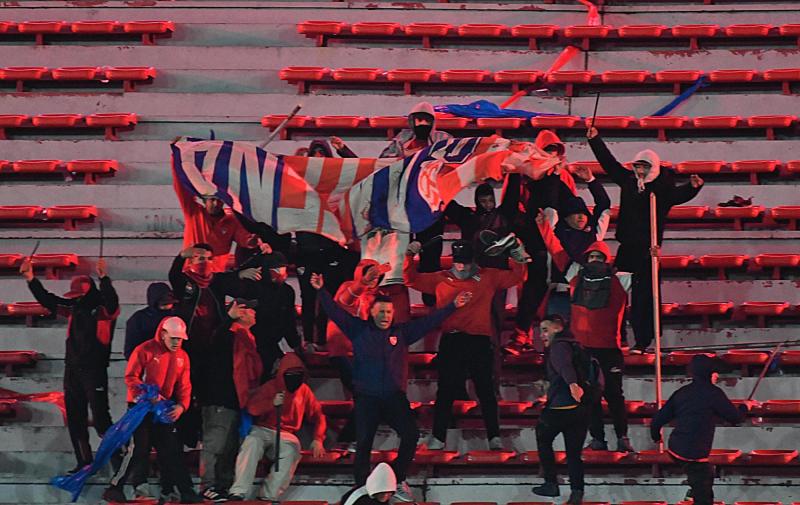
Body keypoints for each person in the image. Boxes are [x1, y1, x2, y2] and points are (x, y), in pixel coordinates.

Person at [313, 272, 470, 502]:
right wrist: (320, 290)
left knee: (411, 434)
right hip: (367, 397)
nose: (385, 315)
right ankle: (363, 487)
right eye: (381, 311)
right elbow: (335, 312)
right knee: (364, 442)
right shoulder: (358, 329)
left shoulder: (402, 333)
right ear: (372, 312)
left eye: (389, 311)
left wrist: (453, 306)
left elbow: (428, 322)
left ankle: (395, 479)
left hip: (394, 397)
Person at [404, 238, 528, 451]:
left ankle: (494, 436)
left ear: (473, 261)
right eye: (457, 261)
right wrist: (409, 256)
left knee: (486, 390)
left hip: (479, 341)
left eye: (465, 262)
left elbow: (518, 276)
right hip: (452, 340)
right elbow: (410, 279)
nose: (460, 266)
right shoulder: (441, 278)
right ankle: (438, 437)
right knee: (445, 390)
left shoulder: (487, 276)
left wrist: (517, 252)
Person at [587, 126, 704, 353]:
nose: (640, 170)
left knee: (646, 297)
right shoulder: (629, 182)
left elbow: (679, 195)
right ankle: (617, 337)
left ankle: (644, 340)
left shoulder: (662, 188)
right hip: (627, 248)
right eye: (637, 166)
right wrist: (595, 140)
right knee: (616, 294)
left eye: (644, 167)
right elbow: (609, 164)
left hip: (648, 250)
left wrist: (693, 187)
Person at [538, 214, 633, 452]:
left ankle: (622, 437)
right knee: (590, 399)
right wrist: (543, 226)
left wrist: (654, 256)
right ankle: (598, 439)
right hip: (583, 351)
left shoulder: (621, 281)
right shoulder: (576, 277)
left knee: (614, 396)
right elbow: (558, 252)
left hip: (609, 349)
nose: (594, 260)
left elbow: (645, 270)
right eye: (591, 256)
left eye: (598, 257)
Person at [21, 258, 119, 474]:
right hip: (72, 369)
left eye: (79, 295)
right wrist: (30, 279)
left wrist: (104, 278)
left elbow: (113, 303)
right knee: (75, 419)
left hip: (94, 371)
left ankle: (118, 464)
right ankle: (84, 462)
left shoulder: (103, 308)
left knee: (102, 420)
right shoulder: (74, 307)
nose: (76, 299)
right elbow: (49, 301)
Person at [104, 316, 202, 504]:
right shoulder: (145, 350)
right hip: (141, 407)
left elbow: (185, 386)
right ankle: (115, 486)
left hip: (162, 409)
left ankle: (185, 490)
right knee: (138, 449)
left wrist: (182, 406)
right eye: (174, 338)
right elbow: (131, 377)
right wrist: (148, 394)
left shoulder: (182, 357)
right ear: (163, 334)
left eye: (179, 339)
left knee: (172, 450)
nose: (177, 342)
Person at [169, 244, 257, 447]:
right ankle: (188, 437)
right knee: (187, 392)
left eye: (208, 258)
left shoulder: (215, 281)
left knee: (207, 393)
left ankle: (202, 434)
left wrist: (250, 265)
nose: (205, 263)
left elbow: (235, 281)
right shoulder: (186, 282)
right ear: (191, 260)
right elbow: (174, 274)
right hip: (189, 347)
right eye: (199, 258)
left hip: (212, 346)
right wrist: (182, 255)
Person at [506, 130, 577, 355]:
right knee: (531, 288)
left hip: (555, 241)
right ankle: (522, 335)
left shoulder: (563, 176)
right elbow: (509, 205)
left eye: (555, 151)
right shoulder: (523, 173)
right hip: (531, 237)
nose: (552, 155)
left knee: (553, 292)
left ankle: (555, 340)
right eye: (548, 150)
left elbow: (572, 208)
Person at [227, 353, 326, 502]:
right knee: (251, 443)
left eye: (298, 374)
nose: (294, 378)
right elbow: (252, 408)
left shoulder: (304, 390)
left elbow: (318, 415)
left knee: (291, 450)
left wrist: (318, 438)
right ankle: (238, 491)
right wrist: (271, 403)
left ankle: (268, 495)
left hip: (287, 433)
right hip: (263, 429)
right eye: (290, 374)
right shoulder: (270, 386)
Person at [651, 355, 747, 505]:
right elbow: (735, 418)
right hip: (694, 452)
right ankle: (694, 492)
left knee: (703, 476)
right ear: (711, 374)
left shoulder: (682, 392)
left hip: (676, 447)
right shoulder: (714, 393)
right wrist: (745, 407)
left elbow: (657, 420)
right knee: (704, 495)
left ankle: (693, 490)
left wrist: (656, 436)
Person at [198, 299, 259, 502]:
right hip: (219, 399)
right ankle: (207, 486)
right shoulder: (228, 335)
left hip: (236, 401)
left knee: (229, 448)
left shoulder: (246, 337)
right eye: (248, 309)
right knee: (215, 445)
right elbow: (215, 341)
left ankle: (222, 486)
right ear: (239, 313)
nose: (253, 312)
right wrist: (228, 320)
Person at [326, 259, 391, 450]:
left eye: (376, 276)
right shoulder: (348, 287)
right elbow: (346, 300)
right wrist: (363, 282)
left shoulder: (379, 297)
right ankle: (348, 440)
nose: (373, 279)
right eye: (370, 274)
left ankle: (348, 440)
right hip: (342, 350)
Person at [172, 159, 271, 270]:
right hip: (191, 272)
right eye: (212, 200)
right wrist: (175, 158)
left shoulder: (231, 220)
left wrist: (257, 242)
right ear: (204, 200)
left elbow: (244, 238)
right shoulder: (194, 213)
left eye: (220, 200)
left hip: (215, 276)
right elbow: (181, 188)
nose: (216, 204)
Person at [543, 163, 612, 317]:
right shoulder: (555, 230)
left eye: (584, 213)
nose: (582, 217)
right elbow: (550, 206)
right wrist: (555, 176)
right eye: (576, 214)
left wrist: (592, 181)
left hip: (589, 292)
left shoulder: (594, 233)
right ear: (566, 217)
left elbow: (604, 206)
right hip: (560, 292)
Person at [532, 314, 587, 505]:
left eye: (545, 330)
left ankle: (550, 482)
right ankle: (577, 491)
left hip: (560, 408)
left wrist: (572, 385)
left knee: (542, 437)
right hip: (580, 410)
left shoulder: (559, 347)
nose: (541, 335)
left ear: (557, 328)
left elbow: (565, 367)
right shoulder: (576, 345)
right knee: (574, 454)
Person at [240, 252, 302, 376]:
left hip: (272, 341)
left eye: (283, 270)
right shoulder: (252, 288)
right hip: (252, 341)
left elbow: (288, 320)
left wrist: (295, 343)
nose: (280, 275)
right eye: (276, 270)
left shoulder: (287, 291)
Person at [124, 282, 178, 359]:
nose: (168, 306)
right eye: (164, 304)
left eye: (170, 303)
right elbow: (131, 351)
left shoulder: (176, 317)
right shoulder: (139, 319)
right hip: (148, 362)